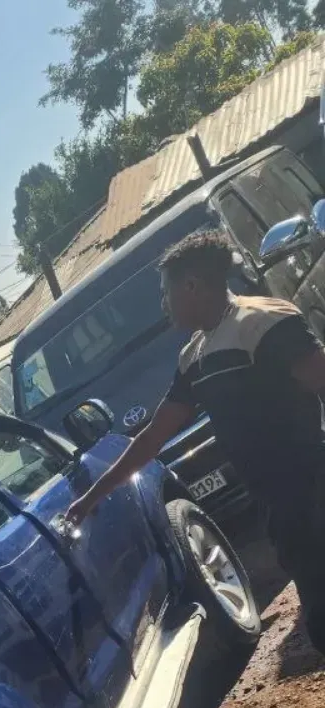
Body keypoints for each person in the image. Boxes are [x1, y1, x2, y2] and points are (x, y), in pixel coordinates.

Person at [68, 229, 325, 650]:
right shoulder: (195, 358)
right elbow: (153, 437)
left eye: (166, 293)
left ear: (191, 286)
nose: (164, 305)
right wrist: (92, 496)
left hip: (314, 484)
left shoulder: (261, 322)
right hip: (280, 506)